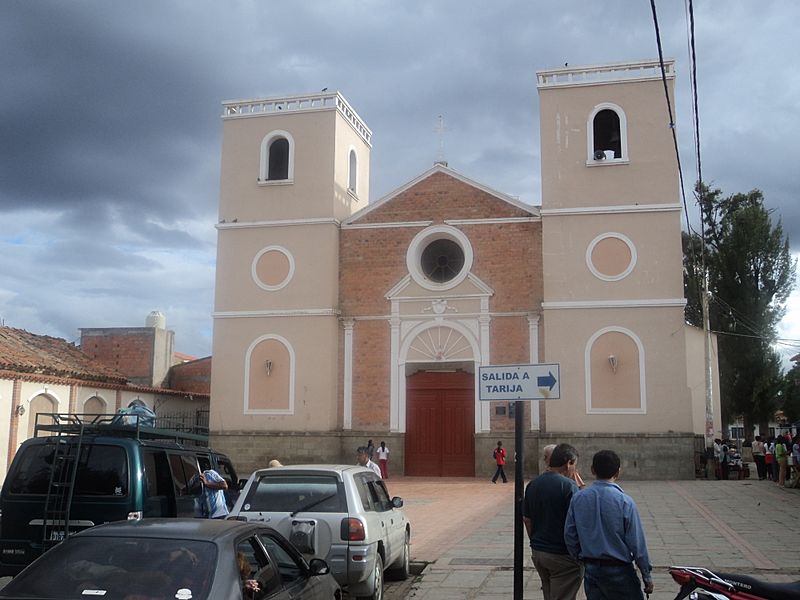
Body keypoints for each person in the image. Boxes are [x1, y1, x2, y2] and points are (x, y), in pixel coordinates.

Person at [565, 450, 653, 600]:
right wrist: (646, 575)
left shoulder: (578, 499)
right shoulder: (625, 502)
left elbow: (570, 534)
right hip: (620, 569)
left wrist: (579, 556)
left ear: (593, 470)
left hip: (592, 568)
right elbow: (637, 544)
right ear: (618, 472)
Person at [523, 444, 583, 600]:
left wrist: (535, 542)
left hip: (539, 552)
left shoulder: (532, 484)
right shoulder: (569, 486)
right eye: (574, 465)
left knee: (549, 594)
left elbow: (527, 519)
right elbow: (578, 523)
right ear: (568, 462)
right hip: (562, 554)